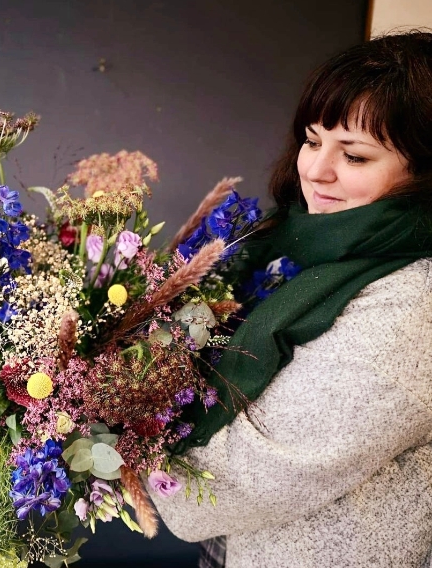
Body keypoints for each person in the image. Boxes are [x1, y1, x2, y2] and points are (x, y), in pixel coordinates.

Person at [151, 31, 432, 567]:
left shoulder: (413, 304)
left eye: (353, 155)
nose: (316, 170)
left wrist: (93, 434)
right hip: (239, 546)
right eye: (311, 140)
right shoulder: (296, 242)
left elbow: (252, 477)